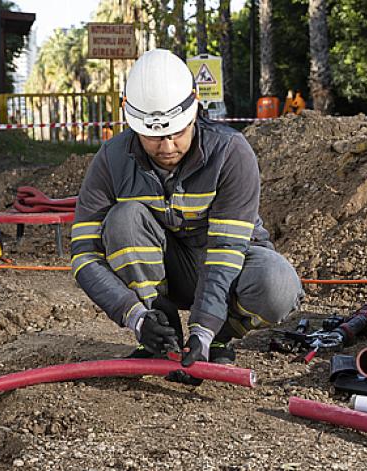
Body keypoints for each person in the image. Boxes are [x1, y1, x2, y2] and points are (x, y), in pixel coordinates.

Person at [71, 49, 304, 382]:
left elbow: (225, 252)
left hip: (228, 266)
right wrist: (136, 316)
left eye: (177, 133)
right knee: (123, 218)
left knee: (278, 286)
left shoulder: (230, 153)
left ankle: (223, 335)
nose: (167, 147)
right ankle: (160, 332)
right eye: (153, 137)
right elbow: (84, 256)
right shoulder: (111, 160)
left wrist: (205, 331)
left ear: (195, 112)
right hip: (166, 272)